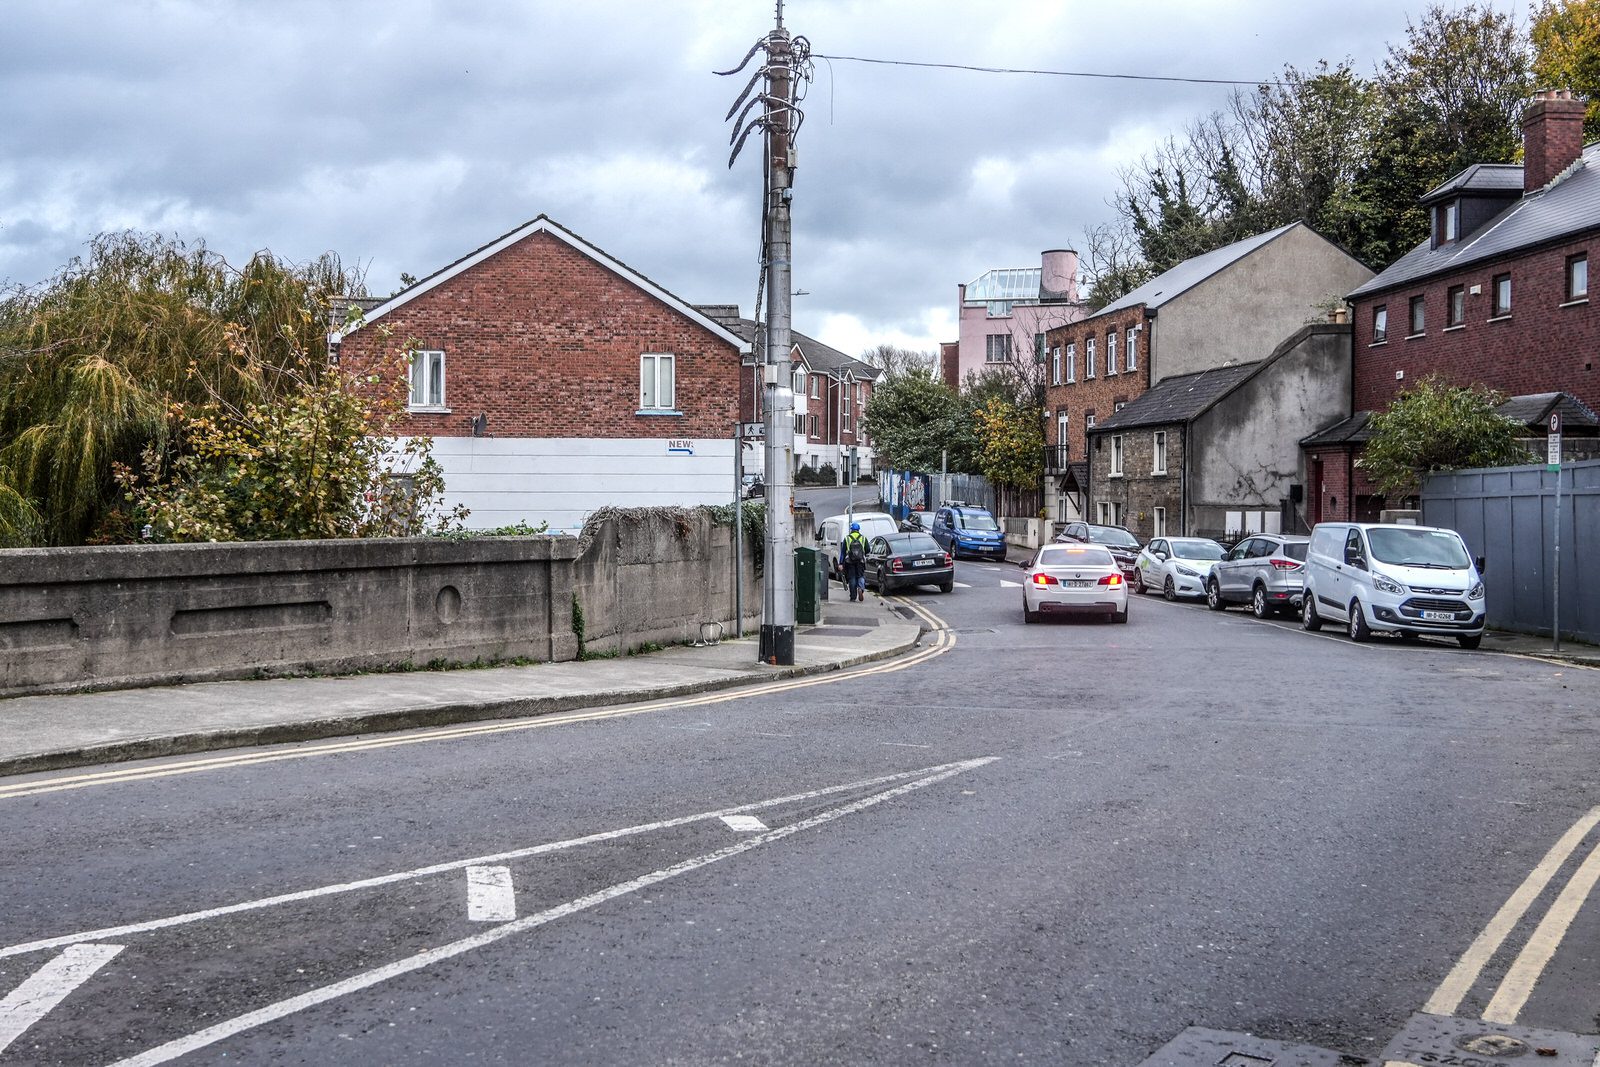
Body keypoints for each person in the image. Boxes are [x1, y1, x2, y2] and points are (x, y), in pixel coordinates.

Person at [840, 521, 869, 602]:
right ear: (858, 529)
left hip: (850, 561)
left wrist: (840, 563)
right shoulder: (863, 538)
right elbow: (868, 549)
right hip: (860, 561)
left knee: (852, 578)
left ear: (851, 529)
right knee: (861, 576)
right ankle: (860, 588)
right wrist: (862, 554)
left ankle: (853, 597)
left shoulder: (847, 538)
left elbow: (843, 552)